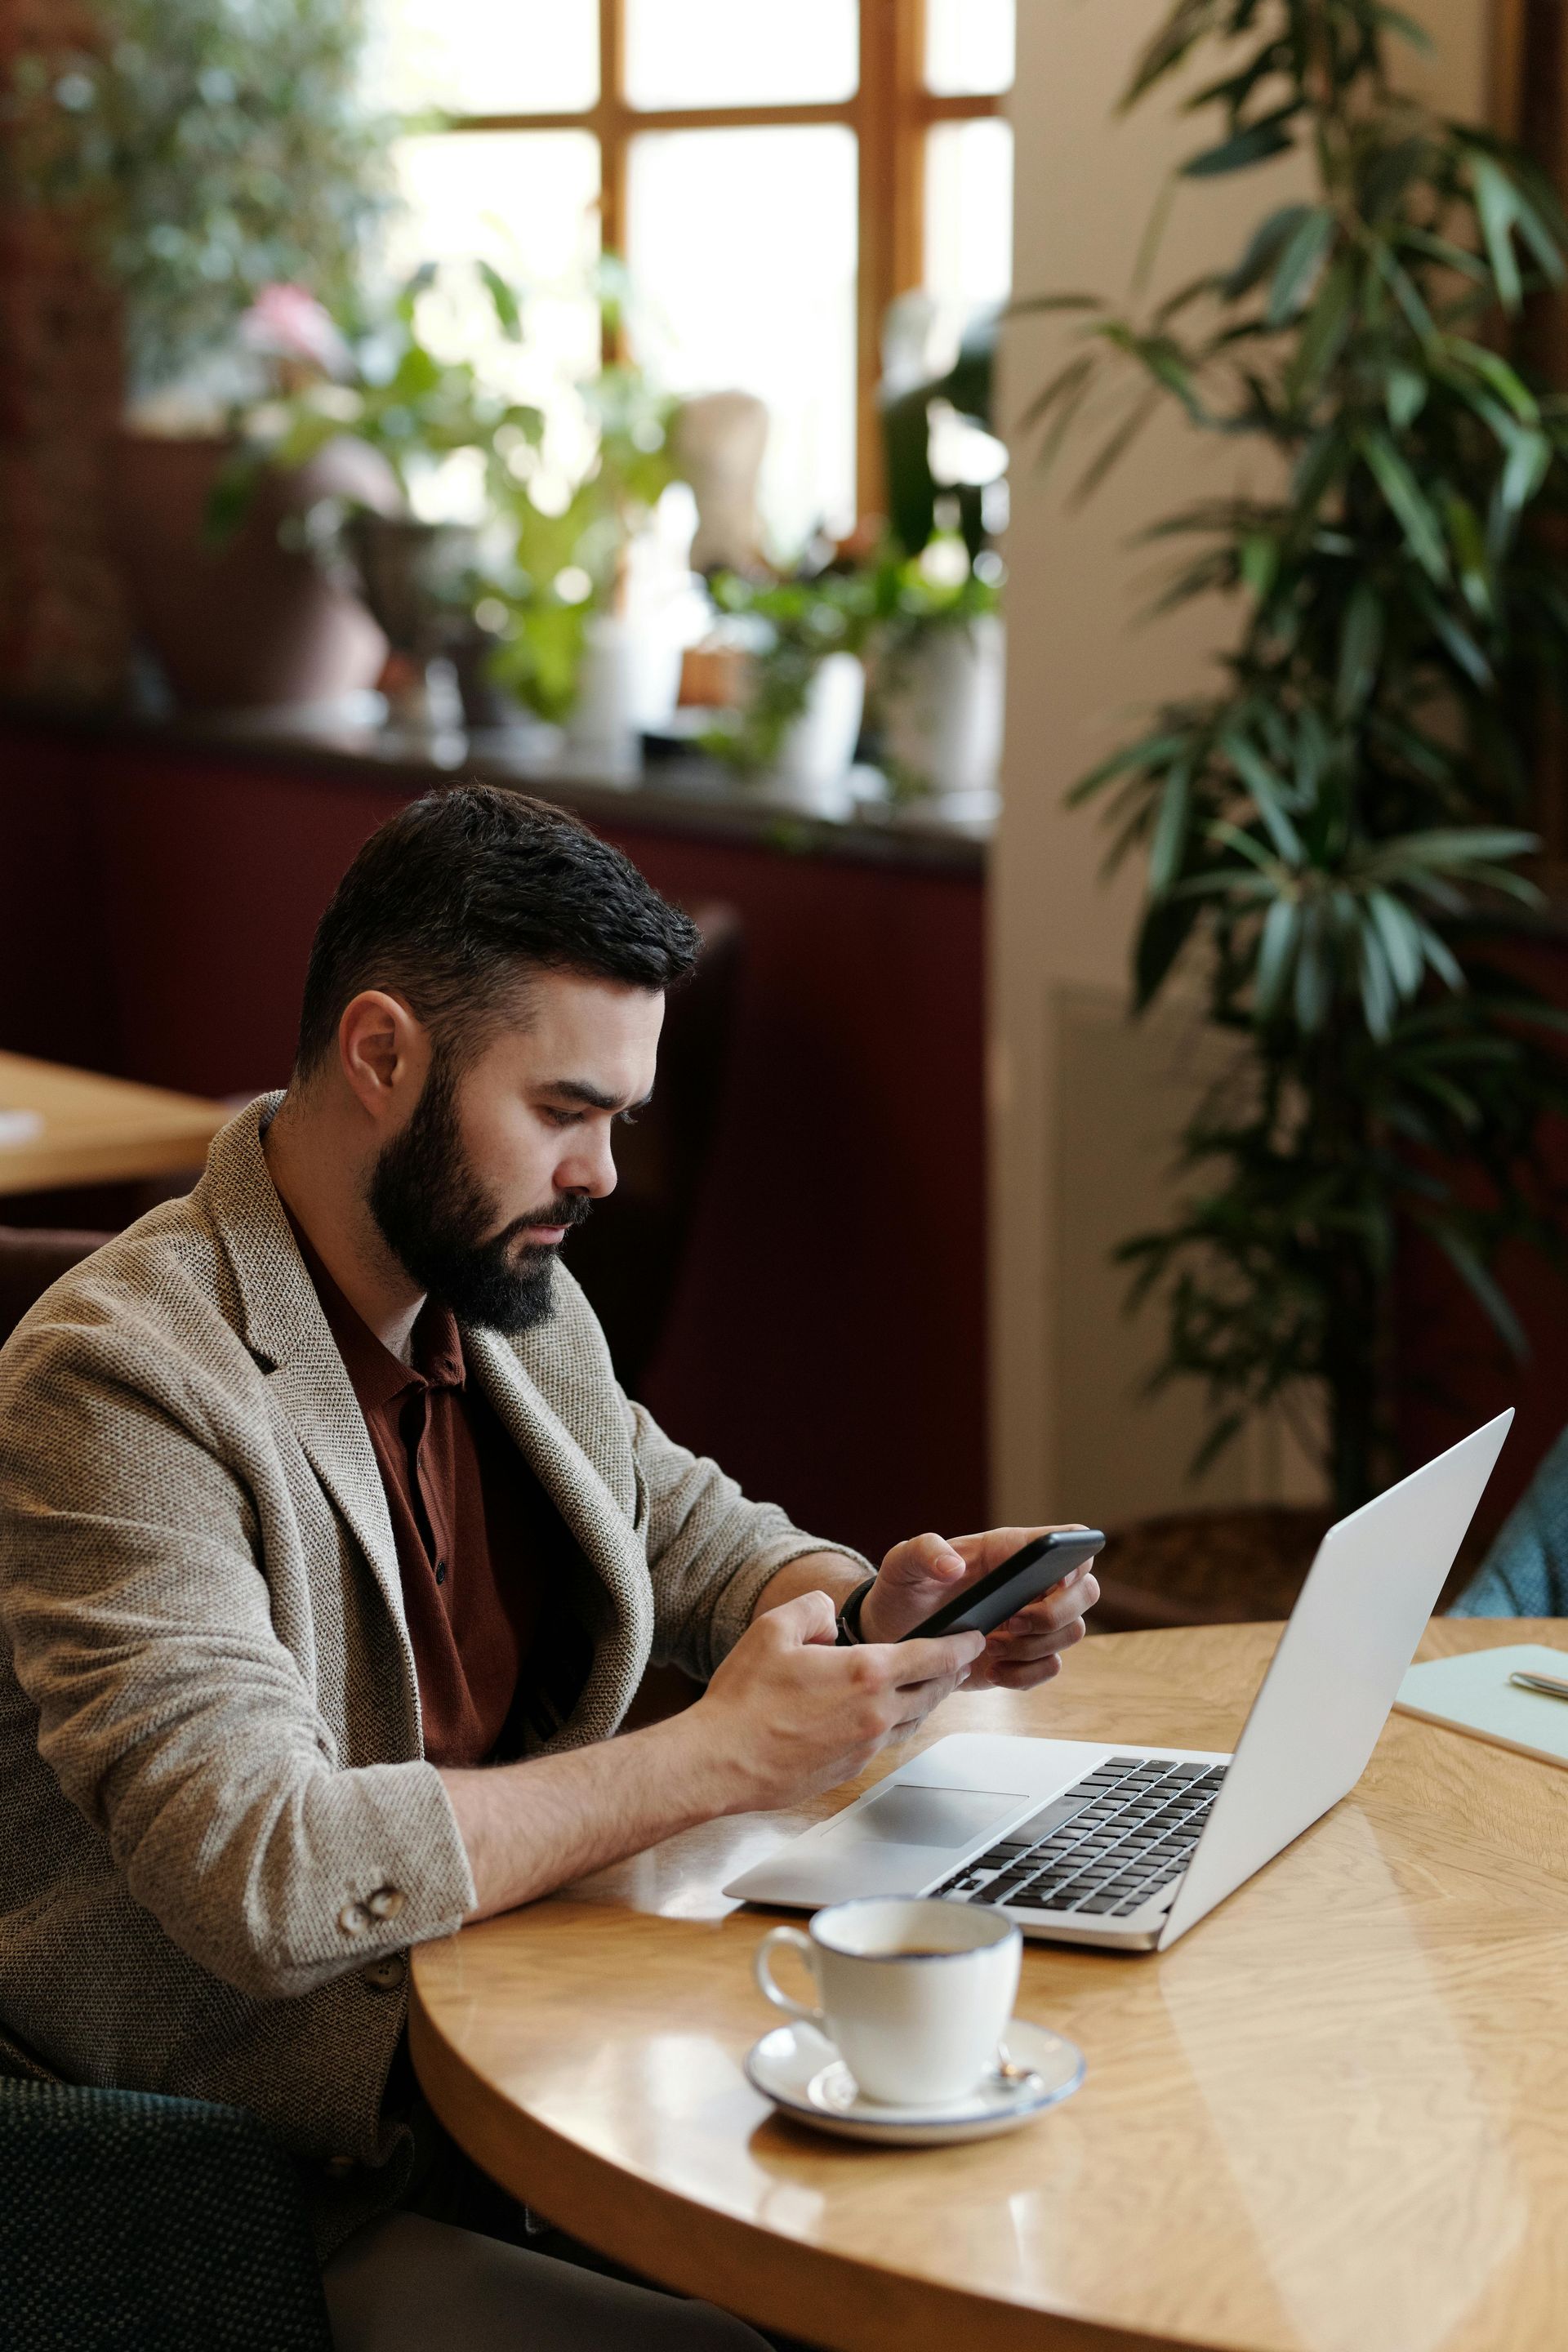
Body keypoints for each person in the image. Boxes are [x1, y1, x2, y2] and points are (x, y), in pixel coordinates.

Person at [0, 786, 1099, 2350]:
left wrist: (876, 1606)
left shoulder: (503, 1294)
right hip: (246, 2194)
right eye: (564, 1109)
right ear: (383, 1055)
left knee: (958, 2268)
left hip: (529, 2067)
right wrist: (715, 1760)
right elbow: (264, 1870)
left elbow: (696, 1531)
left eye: (621, 1122)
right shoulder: (119, 1382)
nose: (600, 1173)